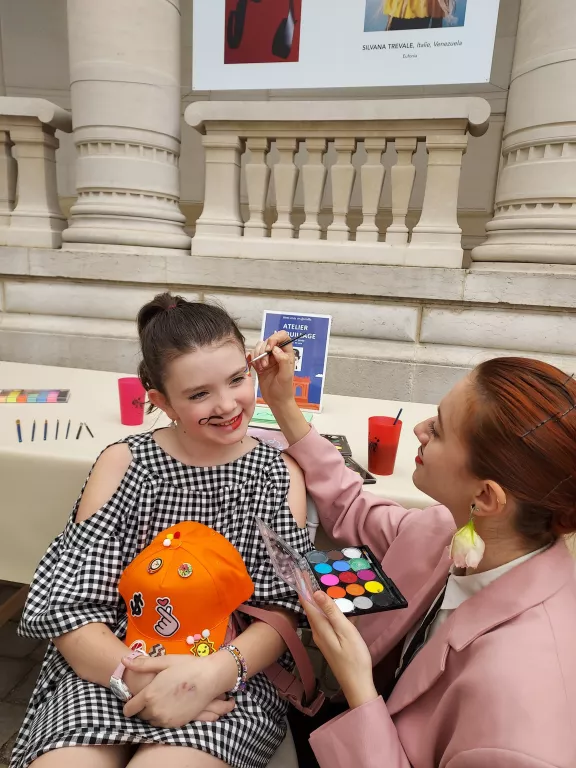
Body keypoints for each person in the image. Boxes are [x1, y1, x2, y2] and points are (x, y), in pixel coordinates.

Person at [11, 295, 312, 768]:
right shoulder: (127, 463)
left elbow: (282, 609)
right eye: (198, 394)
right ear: (162, 402)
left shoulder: (276, 474)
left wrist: (211, 674)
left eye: (237, 379)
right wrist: (137, 679)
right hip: (113, 662)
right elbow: (70, 604)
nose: (227, 404)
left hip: (232, 670)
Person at [253, 331, 576, 768]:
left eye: (439, 429)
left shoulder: (519, 699)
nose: (420, 430)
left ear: (486, 497)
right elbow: (353, 506)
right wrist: (284, 404)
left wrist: (358, 687)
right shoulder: (457, 530)